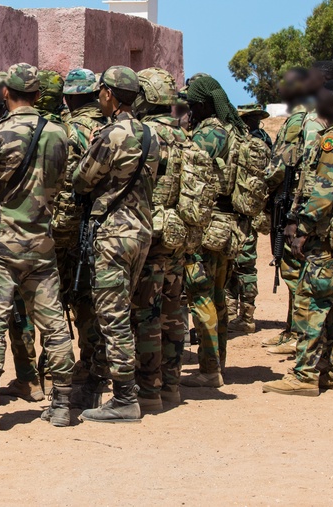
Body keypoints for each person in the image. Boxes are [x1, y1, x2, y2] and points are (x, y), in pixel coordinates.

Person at [0, 62, 75, 432]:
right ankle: (64, 405)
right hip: (40, 241)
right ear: (38, 94)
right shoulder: (59, 133)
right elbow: (60, 184)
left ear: (6, 93)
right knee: (55, 324)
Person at [263, 79, 333, 396]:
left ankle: (305, 375)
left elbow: (323, 193)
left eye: (320, 101)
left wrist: (301, 228)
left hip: (330, 235)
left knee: (311, 300)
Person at [71, 66, 159, 422]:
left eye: (102, 91)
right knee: (125, 309)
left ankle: (124, 398)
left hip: (113, 234)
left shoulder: (111, 135)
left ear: (109, 93)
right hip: (141, 231)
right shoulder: (152, 134)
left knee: (113, 315)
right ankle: (105, 387)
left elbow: (82, 178)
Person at [264, 61, 333, 355]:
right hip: (311, 205)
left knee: (296, 272)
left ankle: (302, 336)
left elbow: (305, 169)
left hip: (301, 206)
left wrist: (297, 215)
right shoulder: (332, 116)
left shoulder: (311, 120)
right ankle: (296, 332)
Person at [129, 67, 193, 410]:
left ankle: (148, 391)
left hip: (150, 235)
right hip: (178, 233)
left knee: (146, 315)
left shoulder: (144, 135)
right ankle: (171, 385)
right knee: (174, 311)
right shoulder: (186, 136)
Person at [3, 68, 68, 402]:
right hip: (50, 235)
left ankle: (26, 379)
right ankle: (64, 391)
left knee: (12, 315)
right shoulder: (62, 133)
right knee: (56, 318)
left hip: (7, 238)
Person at [181, 75, 250, 388]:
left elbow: (191, 168)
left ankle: (210, 369)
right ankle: (217, 364)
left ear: (203, 103)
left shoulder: (210, 132)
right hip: (225, 226)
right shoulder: (233, 129)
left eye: (192, 103)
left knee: (202, 297)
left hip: (208, 227)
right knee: (217, 297)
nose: (187, 108)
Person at [56, 68, 107, 386]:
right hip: (110, 224)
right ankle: (99, 360)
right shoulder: (112, 125)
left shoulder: (66, 129)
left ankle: (80, 364)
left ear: (70, 97)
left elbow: (63, 183)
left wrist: (60, 231)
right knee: (101, 297)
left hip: (72, 226)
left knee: (72, 297)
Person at [226, 103, 273, 334]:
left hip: (240, 211)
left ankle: (242, 316)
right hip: (256, 211)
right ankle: (243, 313)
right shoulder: (265, 141)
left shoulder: (242, 143)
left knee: (239, 265)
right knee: (245, 265)